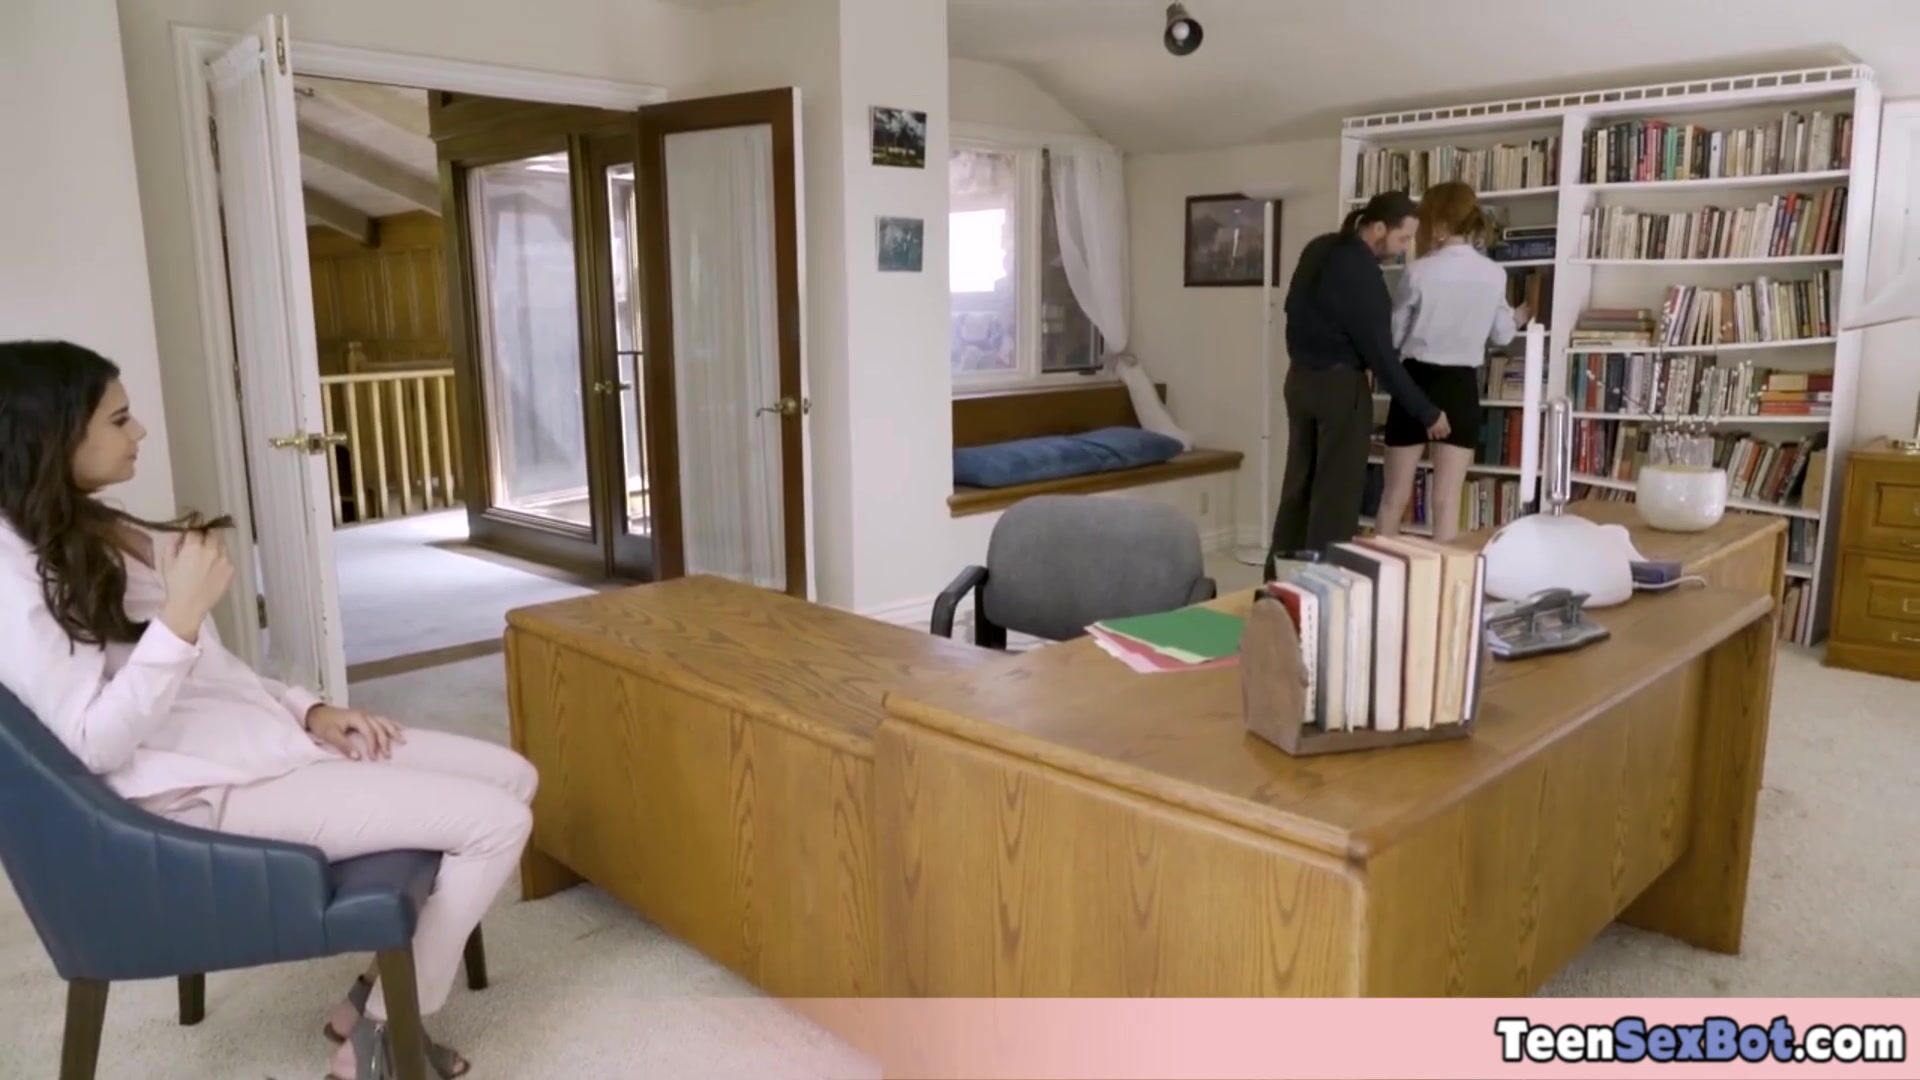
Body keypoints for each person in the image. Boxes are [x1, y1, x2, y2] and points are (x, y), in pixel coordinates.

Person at [0, 341, 535, 1080]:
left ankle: (368, 1001)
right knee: (496, 824)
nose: (140, 431)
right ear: (53, 436)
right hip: (200, 794)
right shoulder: (14, 574)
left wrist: (307, 710)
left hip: (258, 745)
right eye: (119, 420)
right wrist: (179, 617)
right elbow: (92, 744)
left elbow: (210, 678)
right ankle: (380, 1039)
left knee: (513, 777)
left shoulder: (89, 527)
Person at [1267, 191, 1445, 571]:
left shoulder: (1318, 249)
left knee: (1298, 488)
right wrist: (1426, 411)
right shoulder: (1362, 273)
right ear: (1378, 228)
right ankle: (1322, 588)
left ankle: (1278, 581)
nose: (1404, 249)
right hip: (1340, 389)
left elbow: (1292, 311)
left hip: (1298, 381)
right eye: (1402, 239)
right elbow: (1381, 357)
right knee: (1335, 497)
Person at [1376, 182, 1530, 542]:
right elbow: (1502, 335)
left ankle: (1380, 571)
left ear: (1436, 221)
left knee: (1393, 498)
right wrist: (1519, 317)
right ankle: (1444, 577)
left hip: (1415, 384)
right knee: (1446, 502)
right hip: (1461, 387)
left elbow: (1394, 336)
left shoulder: (1418, 272)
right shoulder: (1494, 274)